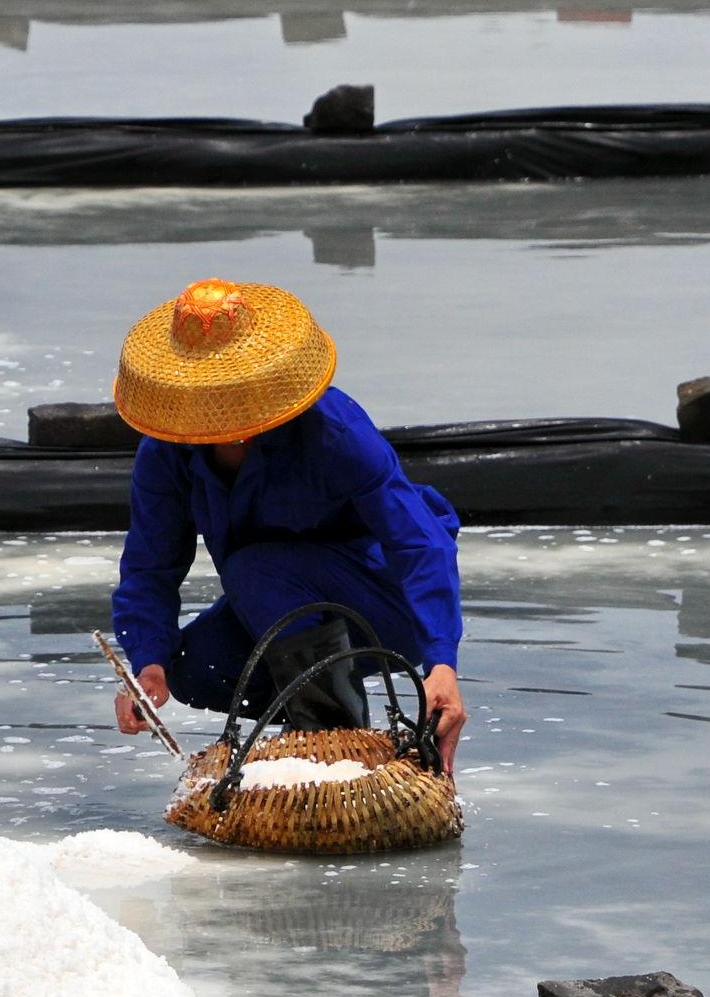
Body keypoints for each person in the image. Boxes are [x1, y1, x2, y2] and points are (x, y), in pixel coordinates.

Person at [106, 278, 466, 770]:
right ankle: (307, 722)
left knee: (256, 569)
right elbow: (150, 566)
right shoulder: (168, 448)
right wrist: (148, 666)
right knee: (192, 668)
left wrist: (441, 662)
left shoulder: (332, 429)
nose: (216, 406)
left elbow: (418, 543)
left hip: (380, 598)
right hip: (279, 602)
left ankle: (335, 748)